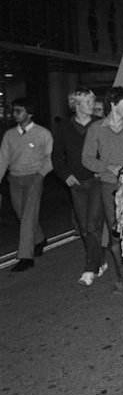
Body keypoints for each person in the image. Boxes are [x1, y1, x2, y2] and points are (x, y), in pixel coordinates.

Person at [82, 87, 123, 301]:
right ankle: (121, 277)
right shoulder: (96, 129)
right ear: (113, 104)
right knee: (115, 235)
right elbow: (87, 159)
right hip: (109, 187)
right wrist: (108, 167)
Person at [53, 88, 103, 285]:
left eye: (92, 100)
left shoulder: (99, 126)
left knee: (92, 225)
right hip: (76, 184)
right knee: (84, 228)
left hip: (97, 181)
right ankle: (100, 259)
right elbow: (57, 157)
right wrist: (65, 176)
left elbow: (106, 151)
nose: (92, 104)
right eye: (88, 101)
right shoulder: (64, 127)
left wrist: (102, 169)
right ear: (76, 105)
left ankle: (90, 269)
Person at [0, 97, 53, 272]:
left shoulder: (43, 133)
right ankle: (39, 239)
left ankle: (25, 256)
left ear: (29, 113)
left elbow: (49, 159)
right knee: (22, 214)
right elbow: (3, 160)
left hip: (34, 178)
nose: (14, 114)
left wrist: (40, 175)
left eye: (19, 110)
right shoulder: (9, 135)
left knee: (28, 217)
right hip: (14, 179)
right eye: (14, 110)